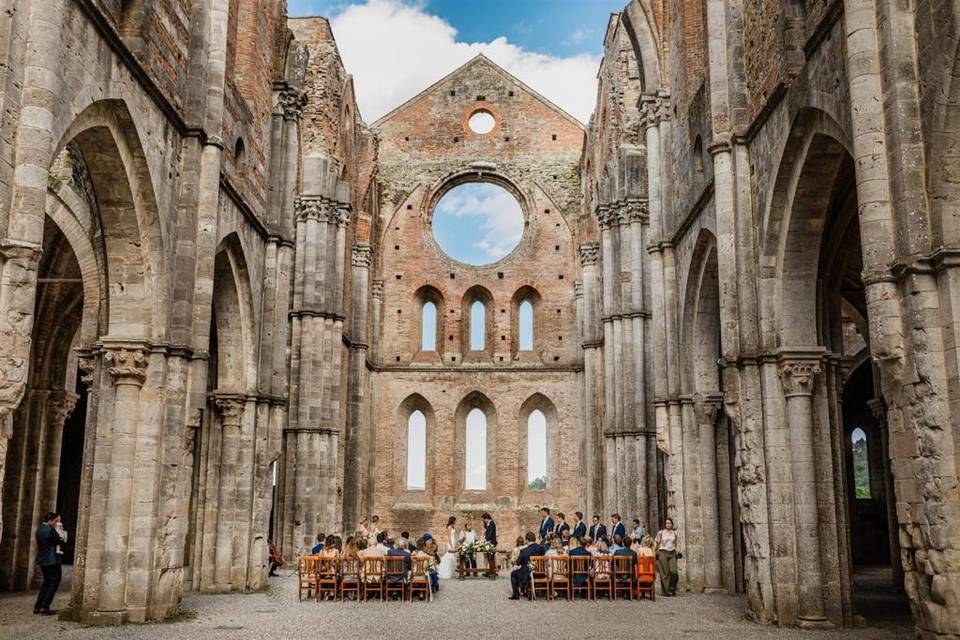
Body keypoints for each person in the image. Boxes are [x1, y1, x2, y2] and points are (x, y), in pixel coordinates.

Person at [34, 512, 62, 615]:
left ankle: (38, 606)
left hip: (42, 559)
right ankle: (44, 607)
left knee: (46, 582)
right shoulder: (51, 530)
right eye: (56, 521)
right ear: (50, 520)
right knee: (54, 582)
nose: (56, 523)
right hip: (52, 560)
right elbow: (60, 541)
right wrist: (61, 533)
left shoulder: (40, 528)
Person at [508, 532, 544, 600]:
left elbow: (518, 563)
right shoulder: (541, 548)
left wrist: (514, 562)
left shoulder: (524, 551)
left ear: (527, 540)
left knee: (513, 574)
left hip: (527, 574)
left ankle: (516, 594)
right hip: (540, 573)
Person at [655, 517, 681, 596]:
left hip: (672, 553)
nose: (668, 524)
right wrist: (654, 552)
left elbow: (677, 543)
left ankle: (672, 587)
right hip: (663, 552)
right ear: (665, 524)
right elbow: (656, 543)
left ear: (672, 524)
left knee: (674, 571)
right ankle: (667, 591)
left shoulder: (675, 533)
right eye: (666, 523)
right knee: (665, 573)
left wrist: (678, 551)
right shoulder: (661, 532)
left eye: (669, 523)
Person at [482, 512, 498, 578]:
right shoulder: (489, 523)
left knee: (491, 557)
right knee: (489, 557)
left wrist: (485, 540)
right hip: (489, 542)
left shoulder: (491, 523)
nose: (483, 521)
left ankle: (493, 572)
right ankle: (490, 571)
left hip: (491, 542)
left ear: (486, 518)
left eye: (483, 519)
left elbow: (490, 534)